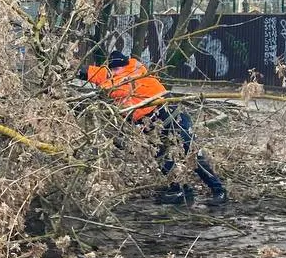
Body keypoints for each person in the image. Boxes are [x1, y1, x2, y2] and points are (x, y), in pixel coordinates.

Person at [83, 50, 228, 206]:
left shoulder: (131, 77)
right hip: (151, 126)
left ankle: (218, 191)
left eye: (116, 69)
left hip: (172, 118)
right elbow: (92, 73)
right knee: (162, 158)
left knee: (191, 155)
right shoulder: (117, 72)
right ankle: (179, 190)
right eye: (111, 70)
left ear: (124, 66)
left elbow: (113, 89)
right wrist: (72, 68)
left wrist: (101, 88)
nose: (114, 72)